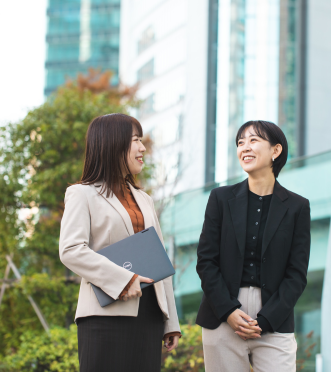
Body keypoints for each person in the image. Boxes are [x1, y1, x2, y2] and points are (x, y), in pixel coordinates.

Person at [59, 113, 180, 372]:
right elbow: (71, 250)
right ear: (112, 144)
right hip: (104, 316)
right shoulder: (82, 194)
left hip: (149, 316)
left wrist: (170, 321)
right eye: (135, 140)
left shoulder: (144, 199)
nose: (142, 147)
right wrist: (123, 280)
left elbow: (160, 261)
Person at [196, 120, 311, 371]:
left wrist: (267, 319)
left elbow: (297, 274)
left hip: (274, 317)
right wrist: (228, 311)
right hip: (222, 314)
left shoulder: (297, 207)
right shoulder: (220, 198)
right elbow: (206, 261)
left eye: (253, 140)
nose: (244, 147)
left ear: (276, 150)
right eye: (240, 142)